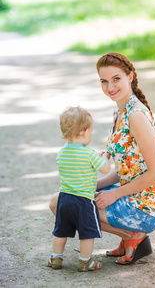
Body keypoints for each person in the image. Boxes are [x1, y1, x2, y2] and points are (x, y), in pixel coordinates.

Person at [49, 52, 155, 266]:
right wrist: (92, 184)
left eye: (116, 79)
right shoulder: (120, 111)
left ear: (130, 77)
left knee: (63, 203)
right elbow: (126, 169)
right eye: (104, 81)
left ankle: (133, 236)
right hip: (129, 193)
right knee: (60, 200)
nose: (110, 87)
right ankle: (130, 238)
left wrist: (115, 193)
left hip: (146, 206)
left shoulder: (136, 116)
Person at [48, 106, 110, 272]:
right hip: (83, 201)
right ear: (84, 131)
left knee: (60, 231)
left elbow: (74, 167)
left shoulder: (61, 153)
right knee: (87, 232)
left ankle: (56, 258)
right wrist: (105, 157)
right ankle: (85, 261)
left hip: (64, 199)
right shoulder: (89, 154)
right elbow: (105, 169)